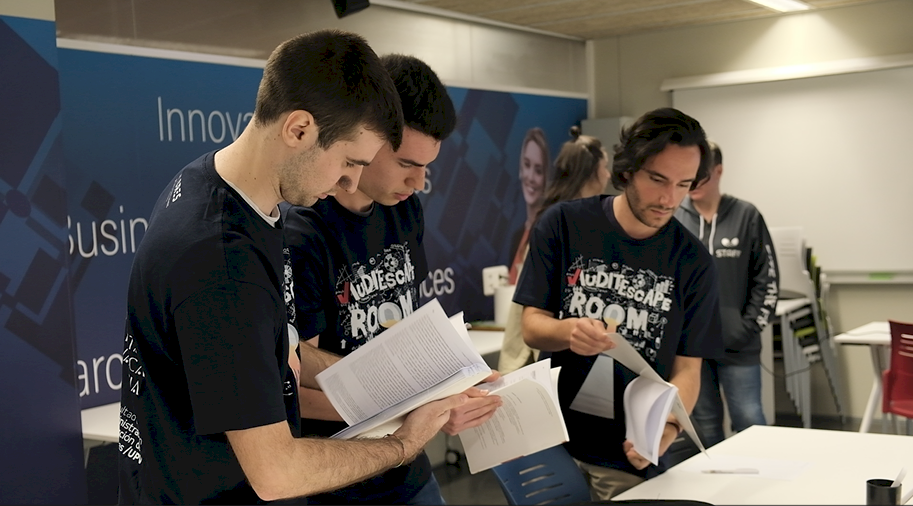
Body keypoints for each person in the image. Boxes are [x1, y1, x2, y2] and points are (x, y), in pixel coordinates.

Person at [118, 30, 470, 505]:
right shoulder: (222, 263)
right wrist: (404, 442)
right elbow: (276, 472)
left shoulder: (218, 189)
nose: (351, 182)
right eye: (348, 162)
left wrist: (410, 384)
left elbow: (282, 351)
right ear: (299, 129)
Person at [281, 54, 502, 505]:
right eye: (406, 164)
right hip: (338, 479)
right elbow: (294, 389)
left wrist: (450, 388)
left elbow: (407, 331)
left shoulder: (404, 209)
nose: (419, 182)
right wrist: (416, 409)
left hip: (408, 468)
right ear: (367, 138)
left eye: (427, 167)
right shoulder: (303, 234)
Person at [513, 107, 724, 500]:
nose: (669, 198)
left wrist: (669, 425)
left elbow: (688, 370)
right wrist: (568, 331)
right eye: (657, 179)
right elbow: (532, 326)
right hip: (551, 440)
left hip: (627, 452)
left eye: (683, 184)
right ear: (627, 170)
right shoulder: (563, 224)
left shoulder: (693, 261)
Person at [674, 141, 779, 447]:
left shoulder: (747, 215)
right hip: (692, 348)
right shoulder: (676, 217)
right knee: (705, 425)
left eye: (702, 175)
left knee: (749, 417)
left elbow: (767, 280)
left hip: (738, 345)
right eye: (690, 175)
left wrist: (746, 328)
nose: (694, 183)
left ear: (718, 171)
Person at [498, 125, 609, 374]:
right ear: (592, 171)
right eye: (605, 166)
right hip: (539, 354)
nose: (608, 174)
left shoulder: (573, 218)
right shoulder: (556, 224)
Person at [508, 127, 551, 285]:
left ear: (546, 177)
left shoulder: (549, 234)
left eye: (538, 171)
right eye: (527, 165)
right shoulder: (516, 237)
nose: (531, 177)